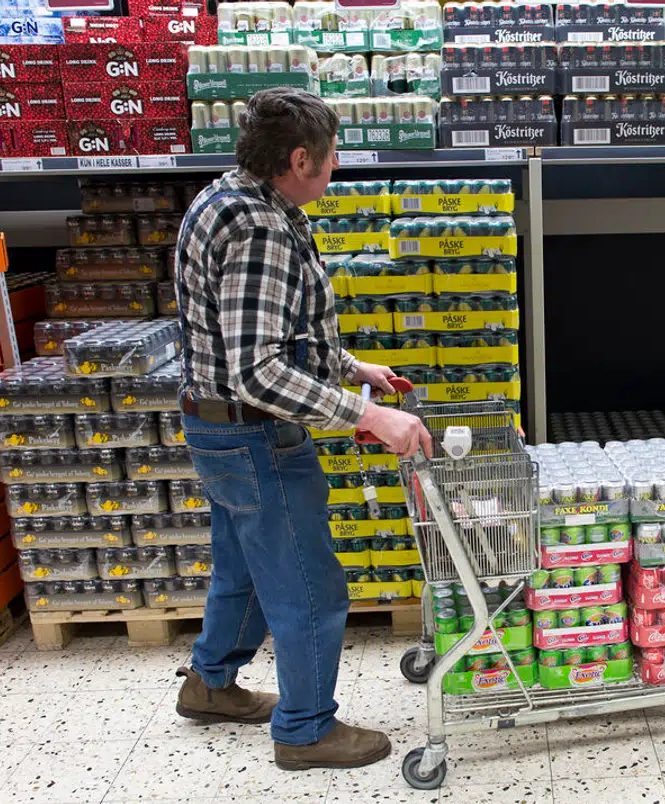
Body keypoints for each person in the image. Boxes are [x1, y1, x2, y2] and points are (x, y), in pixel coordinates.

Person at [170, 87, 432, 771]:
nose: (336, 164)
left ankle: (210, 685)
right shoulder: (260, 230)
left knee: (245, 573)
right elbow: (258, 370)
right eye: (330, 154)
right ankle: (306, 729)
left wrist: (351, 365)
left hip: (214, 426)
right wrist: (369, 414)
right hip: (256, 434)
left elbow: (263, 333)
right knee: (309, 587)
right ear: (297, 159)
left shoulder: (229, 197)